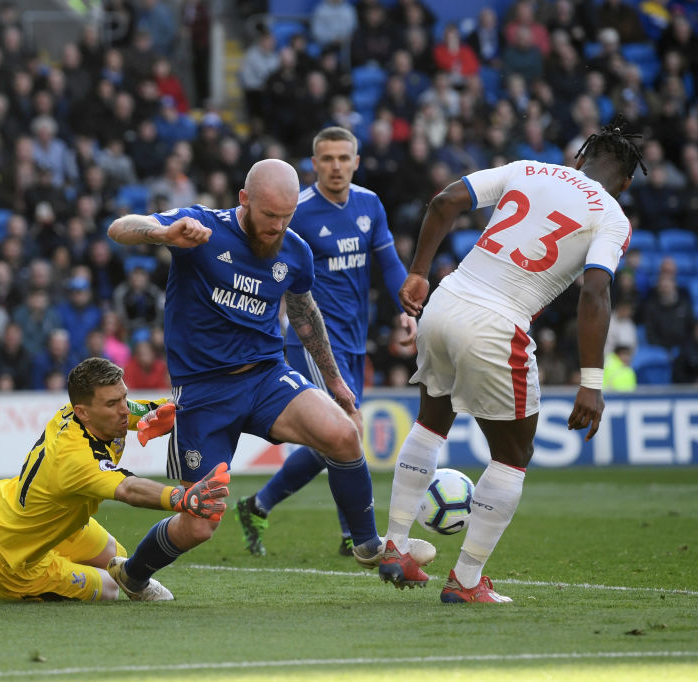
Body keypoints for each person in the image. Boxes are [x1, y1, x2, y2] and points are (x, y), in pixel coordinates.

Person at [377, 115, 644, 603]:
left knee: (431, 421)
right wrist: (591, 381)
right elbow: (596, 293)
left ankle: (394, 544)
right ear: (624, 184)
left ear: (578, 159)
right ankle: (467, 581)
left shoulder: (530, 168)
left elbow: (444, 201)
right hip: (498, 324)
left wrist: (418, 273)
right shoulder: (611, 216)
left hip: (445, 298)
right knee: (513, 456)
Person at [104, 159, 386, 597]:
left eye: (286, 216)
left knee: (344, 434)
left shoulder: (295, 251)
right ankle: (133, 573)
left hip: (267, 377)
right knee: (199, 525)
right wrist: (161, 234)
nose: (277, 226)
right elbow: (120, 228)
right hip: (202, 394)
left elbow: (304, 314)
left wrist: (335, 382)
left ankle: (369, 546)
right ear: (244, 200)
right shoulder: (201, 228)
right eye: (269, 215)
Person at [235, 127, 419, 561]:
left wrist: (405, 309)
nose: (336, 165)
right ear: (313, 164)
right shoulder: (294, 209)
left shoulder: (369, 204)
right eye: (327, 158)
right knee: (346, 432)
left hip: (354, 341)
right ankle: (357, 535)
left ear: (356, 161)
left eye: (344, 158)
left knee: (332, 443)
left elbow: (389, 264)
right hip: (311, 340)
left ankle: (259, 505)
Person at [0, 357, 223, 602]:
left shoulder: (88, 413)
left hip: (10, 512)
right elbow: (128, 488)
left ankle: (51, 569)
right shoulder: (75, 457)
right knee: (110, 587)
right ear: (83, 412)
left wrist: (172, 410)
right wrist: (182, 498)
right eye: (113, 403)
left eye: (123, 397)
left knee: (117, 556)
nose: (124, 410)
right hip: (11, 555)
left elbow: (146, 412)